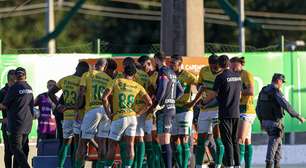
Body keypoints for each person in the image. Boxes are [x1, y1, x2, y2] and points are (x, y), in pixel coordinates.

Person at [103, 64, 153, 168]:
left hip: (119, 116)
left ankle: (107, 166)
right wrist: (138, 113)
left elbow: (104, 98)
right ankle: (128, 166)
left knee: (112, 144)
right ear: (134, 75)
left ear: (123, 72)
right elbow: (149, 102)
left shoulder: (116, 81)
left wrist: (108, 114)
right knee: (130, 144)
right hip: (132, 117)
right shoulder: (138, 85)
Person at [256, 73, 305, 168]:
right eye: (282, 82)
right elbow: (285, 104)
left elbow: (258, 107)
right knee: (273, 144)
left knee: (278, 143)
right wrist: (298, 116)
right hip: (275, 122)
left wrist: (261, 121)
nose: (282, 84)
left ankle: (277, 165)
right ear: (278, 81)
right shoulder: (275, 91)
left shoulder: (263, 90)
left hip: (265, 121)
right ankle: (269, 164)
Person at [48, 61, 89, 168]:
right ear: (85, 72)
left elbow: (50, 93)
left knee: (66, 143)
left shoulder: (64, 79)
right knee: (77, 144)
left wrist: (58, 105)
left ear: (76, 68)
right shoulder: (83, 82)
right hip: (79, 116)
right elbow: (82, 103)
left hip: (67, 116)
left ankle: (60, 166)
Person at [204, 55, 242, 168]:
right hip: (236, 112)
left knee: (227, 141)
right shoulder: (237, 76)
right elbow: (239, 95)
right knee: (235, 140)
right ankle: (238, 165)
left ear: (219, 65)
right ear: (229, 63)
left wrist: (203, 102)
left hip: (225, 113)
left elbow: (213, 94)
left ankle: (229, 165)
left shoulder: (220, 77)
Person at [75, 58, 113, 168]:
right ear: (105, 67)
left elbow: (81, 92)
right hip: (105, 110)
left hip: (92, 110)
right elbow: (109, 98)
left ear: (95, 65)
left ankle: (78, 166)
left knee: (82, 142)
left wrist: (78, 110)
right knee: (102, 142)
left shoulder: (87, 74)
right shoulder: (108, 78)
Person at [190, 54, 224, 168]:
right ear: (209, 64)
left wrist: (208, 101)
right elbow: (200, 85)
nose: (214, 67)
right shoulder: (204, 70)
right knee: (200, 141)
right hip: (204, 110)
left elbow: (221, 94)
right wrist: (201, 96)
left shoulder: (222, 74)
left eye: (216, 65)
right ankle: (198, 166)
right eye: (212, 65)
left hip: (217, 110)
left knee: (217, 139)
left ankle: (219, 165)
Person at [152, 53, 184, 168]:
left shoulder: (163, 71)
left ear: (156, 60)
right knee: (165, 141)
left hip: (164, 110)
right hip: (171, 108)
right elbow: (181, 91)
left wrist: (158, 103)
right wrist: (172, 100)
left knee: (165, 141)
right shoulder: (172, 73)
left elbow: (163, 86)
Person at [0, 67, 34, 168]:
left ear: (16, 77)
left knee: (17, 149)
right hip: (24, 124)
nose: (13, 81)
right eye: (11, 80)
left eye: (13, 79)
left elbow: (3, 105)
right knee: (10, 150)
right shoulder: (28, 87)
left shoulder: (14, 88)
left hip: (15, 124)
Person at [170, 55, 197, 168]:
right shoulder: (169, 75)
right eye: (170, 63)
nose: (171, 65)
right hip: (172, 110)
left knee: (184, 139)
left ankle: (185, 166)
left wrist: (193, 102)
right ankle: (181, 165)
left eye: (173, 63)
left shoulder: (189, 76)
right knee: (175, 140)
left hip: (185, 110)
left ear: (180, 64)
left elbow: (200, 88)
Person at [230, 57, 256, 168]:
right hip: (237, 109)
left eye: (235, 66)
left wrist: (238, 92)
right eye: (231, 66)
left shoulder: (247, 74)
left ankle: (237, 165)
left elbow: (251, 91)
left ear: (241, 64)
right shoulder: (231, 76)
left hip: (247, 110)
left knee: (239, 138)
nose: (233, 68)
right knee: (246, 140)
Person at [137, 55, 156, 168]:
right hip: (144, 111)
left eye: (143, 67)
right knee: (144, 138)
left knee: (153, 140)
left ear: (149, 63)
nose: (142, 70)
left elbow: (157, 93)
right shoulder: (144, 76)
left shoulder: (156, 74)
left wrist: (154, 109)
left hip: (151, 112)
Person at [0, 69, 18, 168]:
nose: (15, 81)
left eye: (16, 79)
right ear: (9, 80)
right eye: (13, 80)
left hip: (19, 126)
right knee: (8, 151)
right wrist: (2, 120)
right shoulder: (2, 92)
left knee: (18, 151)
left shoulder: (19, 90)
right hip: (7, 127)